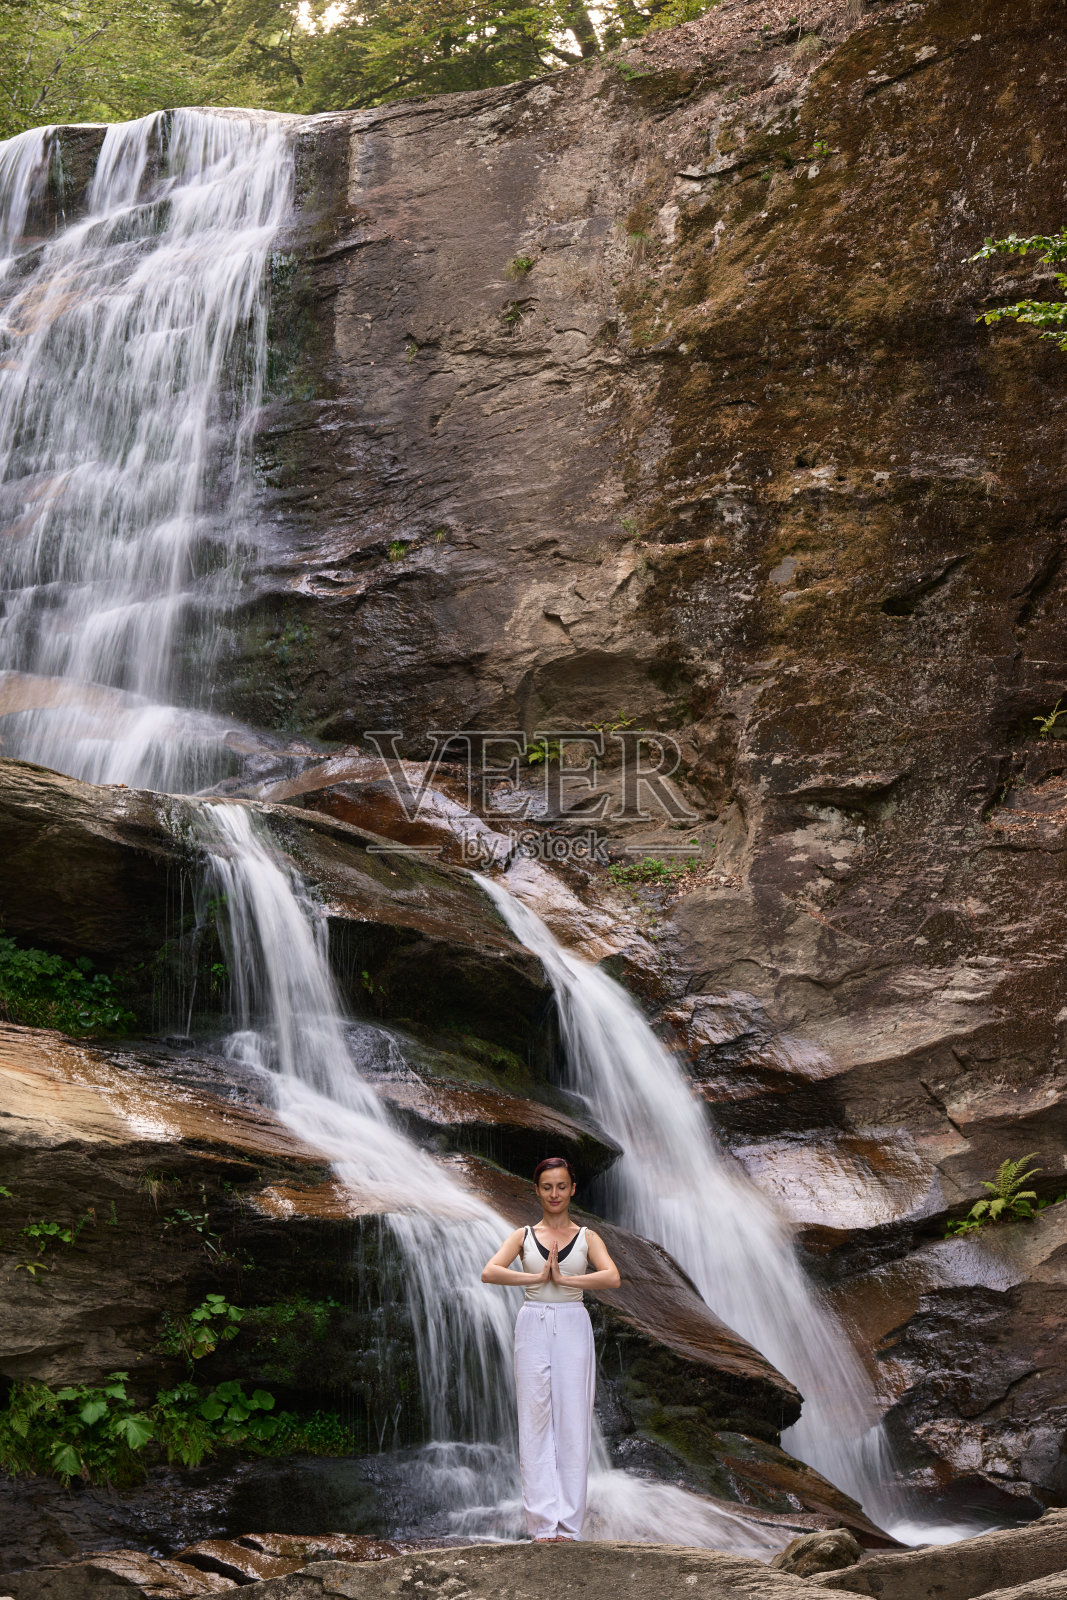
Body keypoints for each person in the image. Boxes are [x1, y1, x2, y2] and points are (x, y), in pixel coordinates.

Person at [481, 1155, 621, 1543]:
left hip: (573, 1320)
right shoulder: (522, 1235)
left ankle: (569, 1527)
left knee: (573, 1422)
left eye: (561, 1186)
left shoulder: (588, 1236)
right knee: (535, 1420)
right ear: (537, 1190)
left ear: (573, 1189)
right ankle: (543, 1525)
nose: (554, 1193)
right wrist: (537, 1276)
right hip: (532, 1322)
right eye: (547, 1187)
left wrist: (567, 1278)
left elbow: (612, 1277)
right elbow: (489, 1271)